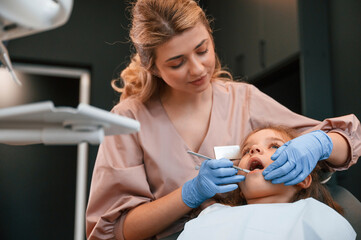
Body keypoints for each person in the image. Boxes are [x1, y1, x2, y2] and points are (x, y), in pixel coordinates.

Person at [85, 0, 361, 239]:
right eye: (176, 62)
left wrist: (320, 143)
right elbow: (115, 230)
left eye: (202, 49)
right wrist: (189, 194)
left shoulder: (244, 100)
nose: (197, 69)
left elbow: (345, 140)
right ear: (153, 67)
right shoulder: (129, 119)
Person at [177, 126, 356, 240]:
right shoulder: (212, 214)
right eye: (246, 150)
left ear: (302, 178)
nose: (254, 149)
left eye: (275, 147)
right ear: (239, 189)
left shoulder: (316, 214)